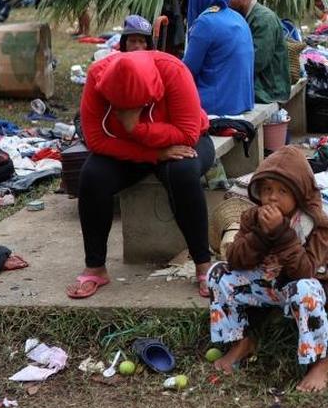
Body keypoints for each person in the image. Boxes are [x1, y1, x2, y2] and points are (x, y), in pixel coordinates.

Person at [67, 50, 216, 299]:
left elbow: (188, 133)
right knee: (92, 176)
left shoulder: (173, 70)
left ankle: (203, 264)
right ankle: (95, 267)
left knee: (182, 173)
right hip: (130, 148)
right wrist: (152, 154)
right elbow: (95, 140)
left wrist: (135, 127)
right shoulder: (96, 76)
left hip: (185, 142)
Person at [208, 146, 328, 392]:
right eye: (267, 189)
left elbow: (306, 271)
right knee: (218, 273)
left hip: (302, 286)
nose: (272, 197)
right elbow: (235, 260)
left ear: (300, 194)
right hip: (267, 285)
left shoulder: (317, 224)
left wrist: (281, 233)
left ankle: (320, 360)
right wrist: (260, 234)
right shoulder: (251, 217)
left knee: (306, 288)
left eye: (282, 191)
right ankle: (241, 342)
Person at [182, 0, 255, 116]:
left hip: (219, 104)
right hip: (244, 101)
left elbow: (188, 70)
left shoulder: (205, 22)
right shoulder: (238, 17)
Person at [226, 0, 291, 104]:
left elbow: (257, 61)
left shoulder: (263, 19)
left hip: (268, 90)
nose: (226, 3)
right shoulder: (249, 17)